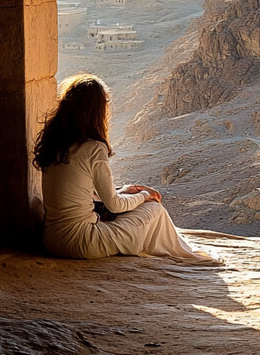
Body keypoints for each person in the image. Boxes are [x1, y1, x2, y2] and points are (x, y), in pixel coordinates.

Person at [34, 73, 217, 262]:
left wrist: (126, 190)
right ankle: (180, 253)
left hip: (52, 241)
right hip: (81, 242)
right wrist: (144, 196)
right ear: (97, 110)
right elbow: (115, 205)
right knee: (154, 209)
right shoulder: (93, 148)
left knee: (138, 208)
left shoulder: (55, 145)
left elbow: (80, 192)